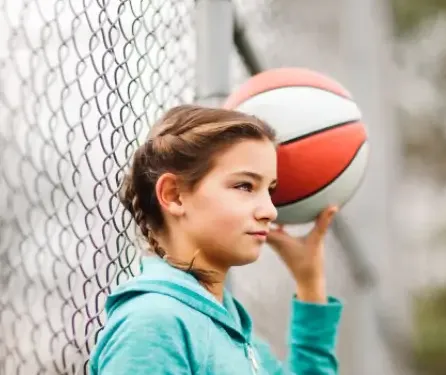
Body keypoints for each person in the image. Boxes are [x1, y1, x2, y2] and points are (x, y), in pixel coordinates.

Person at [88, 104, 343, 374]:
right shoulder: (154, 325)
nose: (270, 211)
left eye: (270, 190)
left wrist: (310, 281)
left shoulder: (231, 329)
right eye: (244, 186)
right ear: (174, 195)